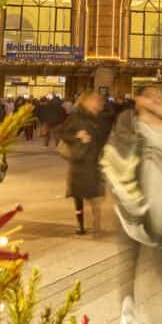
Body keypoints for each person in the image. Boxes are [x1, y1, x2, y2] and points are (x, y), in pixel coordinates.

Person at [101, 87, 162, 324]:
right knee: (130, 261)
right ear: (139, 101)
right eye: (150, 97)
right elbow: (113, 163)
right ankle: (127, 308)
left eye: (160, 98)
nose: (156, 101)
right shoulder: (129, 125)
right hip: (132, 212)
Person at [60, 90, 108, 235]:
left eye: (99, 101)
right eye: (94, 100)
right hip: (80, 160)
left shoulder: (100, 118)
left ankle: (96, 224)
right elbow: (63, 133)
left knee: (96, 194)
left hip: (95, 160)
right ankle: (80, 224)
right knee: (78, 196)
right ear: (85, 101)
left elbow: (103, 137)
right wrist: (77, 136)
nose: (98, 103)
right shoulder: (75, 116)